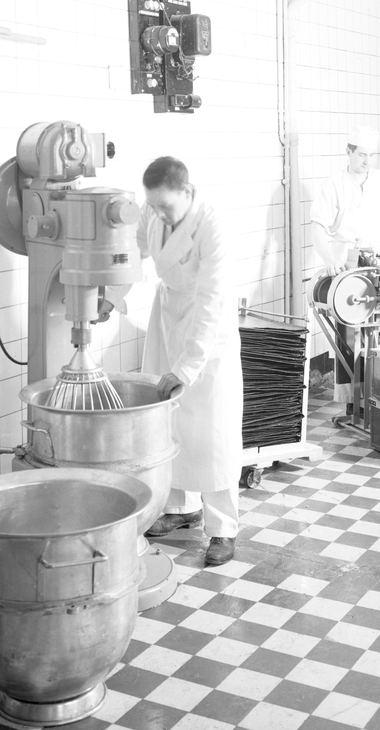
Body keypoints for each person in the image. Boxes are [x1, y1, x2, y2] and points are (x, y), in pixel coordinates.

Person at [136, 157, 243, 567]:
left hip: (207, 327)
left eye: (165, 206)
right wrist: (115, 294)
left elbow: (212, 301)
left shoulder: (212, 226)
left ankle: (222, 528)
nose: (158, 213)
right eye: (153, 205)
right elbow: (131, 250)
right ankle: (180, 507)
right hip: (167, 316)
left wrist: (187, 367)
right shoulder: (152, 209)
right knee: (168, 419)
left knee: (213, 429)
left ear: (187, 191)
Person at [310, 126, 380, 274]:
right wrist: (329, 259)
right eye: (362, 155)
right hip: (343, 262)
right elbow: (317, 227)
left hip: (377, 260)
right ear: (348, 152)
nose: (367, 161)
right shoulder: (333, 185)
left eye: (371, 155)